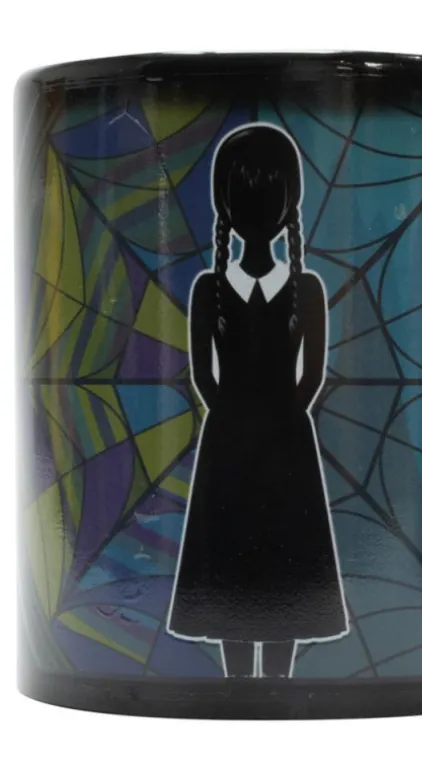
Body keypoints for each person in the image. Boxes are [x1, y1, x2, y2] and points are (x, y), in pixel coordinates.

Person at [166, 123, 348, 678]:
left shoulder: (307, 290)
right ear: (225, 205)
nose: (258, 206)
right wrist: (240, 418)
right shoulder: (209, 289)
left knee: (285, 564)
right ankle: (238, 688)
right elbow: (203, 374)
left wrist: (276, 418)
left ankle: (278, 687)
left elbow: (312, 375)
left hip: (285, 444)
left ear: (289, 204)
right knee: (232, 564)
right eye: (245, 193)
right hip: (232, 445)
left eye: (269, 193)